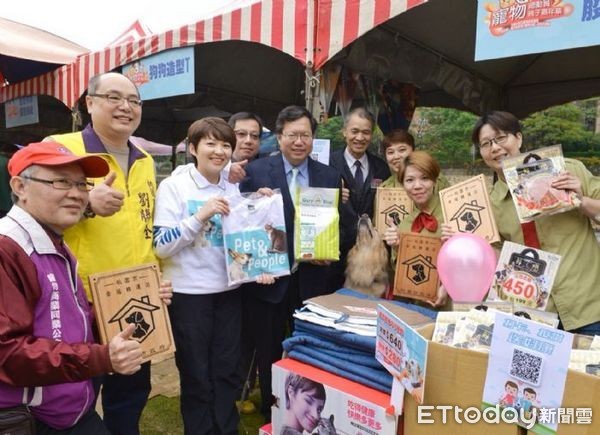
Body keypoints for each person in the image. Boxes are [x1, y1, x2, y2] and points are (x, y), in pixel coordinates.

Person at [48, 72, 172, 435]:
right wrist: (86, 202)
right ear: (90, 102)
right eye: (114, 98)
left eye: (134, 101)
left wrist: (157, 280)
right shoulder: (62, 148)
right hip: (79, 302)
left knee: (130, 394)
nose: (126, 107)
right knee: (74, 398)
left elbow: (146, 227)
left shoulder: (145, 159)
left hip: (134, 300)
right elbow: (31, 212)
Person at [0, 142, 144, 433]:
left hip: (69, 409)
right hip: (31, 419)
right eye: (61, 181)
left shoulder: (54, 240)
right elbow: (8, 352)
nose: (77, 194)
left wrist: (141, 304)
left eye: (81, 184)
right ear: (20, 186)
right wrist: (101, 358)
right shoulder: (8, 249)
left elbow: (70, 317)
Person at [154, 117, 265, 434]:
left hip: (228, 292)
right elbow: (161, 246)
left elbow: (239, 241)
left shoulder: (231, 187)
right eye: (211, 143)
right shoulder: (174, 186)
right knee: (196, 373)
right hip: (189, 297)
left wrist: (257, 204)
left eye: (225, 145)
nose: (219, 151)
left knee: (227, 370)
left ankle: (226, 428)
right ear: (193, 148)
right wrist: (199, 216)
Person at [239, 105, 343, 421]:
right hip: (268, 280)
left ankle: (309, 412)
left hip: (312, 280)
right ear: (280, 136)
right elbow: (241, 226)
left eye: (306, 135)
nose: (299, 141)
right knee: (269, 349)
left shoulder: (329, 175)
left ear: (313, 138)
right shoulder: (255, 172)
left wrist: (330, 251)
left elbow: (338, 226)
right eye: (293, 134)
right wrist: (253, 201)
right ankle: (275, 414)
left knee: (309, 349)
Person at [472, 111, 600, 335]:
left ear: (518, 138)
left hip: (588, 308)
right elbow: (495, 258)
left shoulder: (568, 171)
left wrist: (579, 200)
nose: (495, 148)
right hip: (534, 318)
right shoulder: (491, 203)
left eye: (501, 138)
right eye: (485, 143)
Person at [382, 151, 448, 307]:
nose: (417, 186)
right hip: (419, 306)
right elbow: (404, 270)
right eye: (410, 180)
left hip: (453, 304)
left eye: (424, 178)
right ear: (403, 184)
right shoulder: (405, 224)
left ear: (434, 180)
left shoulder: (451, 213)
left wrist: (447, 287)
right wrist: (397, 246)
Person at [329, 108, 391, 273]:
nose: (360, 138)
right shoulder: (327, 164)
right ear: (344, 132)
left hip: (367, 255)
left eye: (366, 132)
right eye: (354, 131)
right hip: (333, 249)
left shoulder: (381, 168)